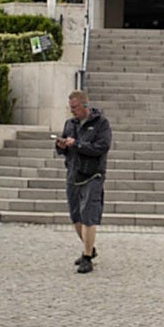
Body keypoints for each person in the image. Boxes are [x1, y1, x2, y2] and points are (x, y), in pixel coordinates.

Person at [56, 90, 112, 274]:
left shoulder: (101, 123)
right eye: (70, 107)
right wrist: (61, 146)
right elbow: (64, 149)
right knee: (76, 216)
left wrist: (78, 144)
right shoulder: (70, 124)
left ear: (85, 105)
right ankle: (90, 247)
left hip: (93, 174)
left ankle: (87, 257)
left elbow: (102, 147)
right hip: (73, 173)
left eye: (75, 107)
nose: (72, 111)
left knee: (88, 214)